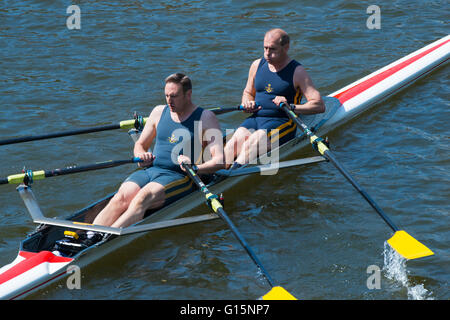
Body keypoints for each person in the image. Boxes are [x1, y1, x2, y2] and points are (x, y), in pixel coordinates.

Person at [91, 73, 224, 230]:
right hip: (151, 171)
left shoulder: (205, 117)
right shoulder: (158, 112)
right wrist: (140, 155)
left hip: (181, 176)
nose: (169, 101)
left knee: (142, 198)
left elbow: (220, 160)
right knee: (120, 197)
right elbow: (140, 144)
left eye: (174, 96)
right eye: (166, 95)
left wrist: (195, 168)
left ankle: (104, 240)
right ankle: (91, 235)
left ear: (188, 95)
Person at [224, 28, 325, 169]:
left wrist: (291, 107)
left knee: (254, 140)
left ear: (286, 47)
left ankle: (231, 174)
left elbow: (319, 105)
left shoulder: (297, 72)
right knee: (234, 141)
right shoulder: (256, 65)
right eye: (265, 48)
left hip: (283, 122)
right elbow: (247, 91)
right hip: (255, 119)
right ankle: (213, 175)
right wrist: (246, 103)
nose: (267, 54)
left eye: (272, 49)